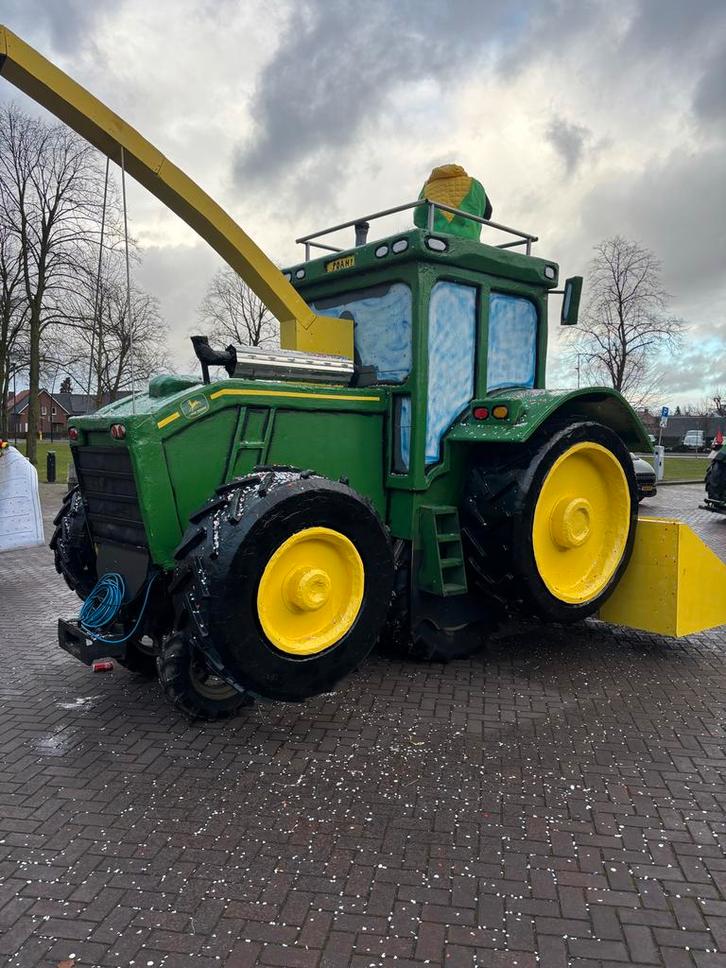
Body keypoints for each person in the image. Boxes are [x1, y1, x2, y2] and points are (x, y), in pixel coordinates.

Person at [413, 163, 492, 240]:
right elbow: (487, 214)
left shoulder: (427, 187)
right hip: (469, 238)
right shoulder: (475, 184)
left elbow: (418, 219)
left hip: (434, 237)